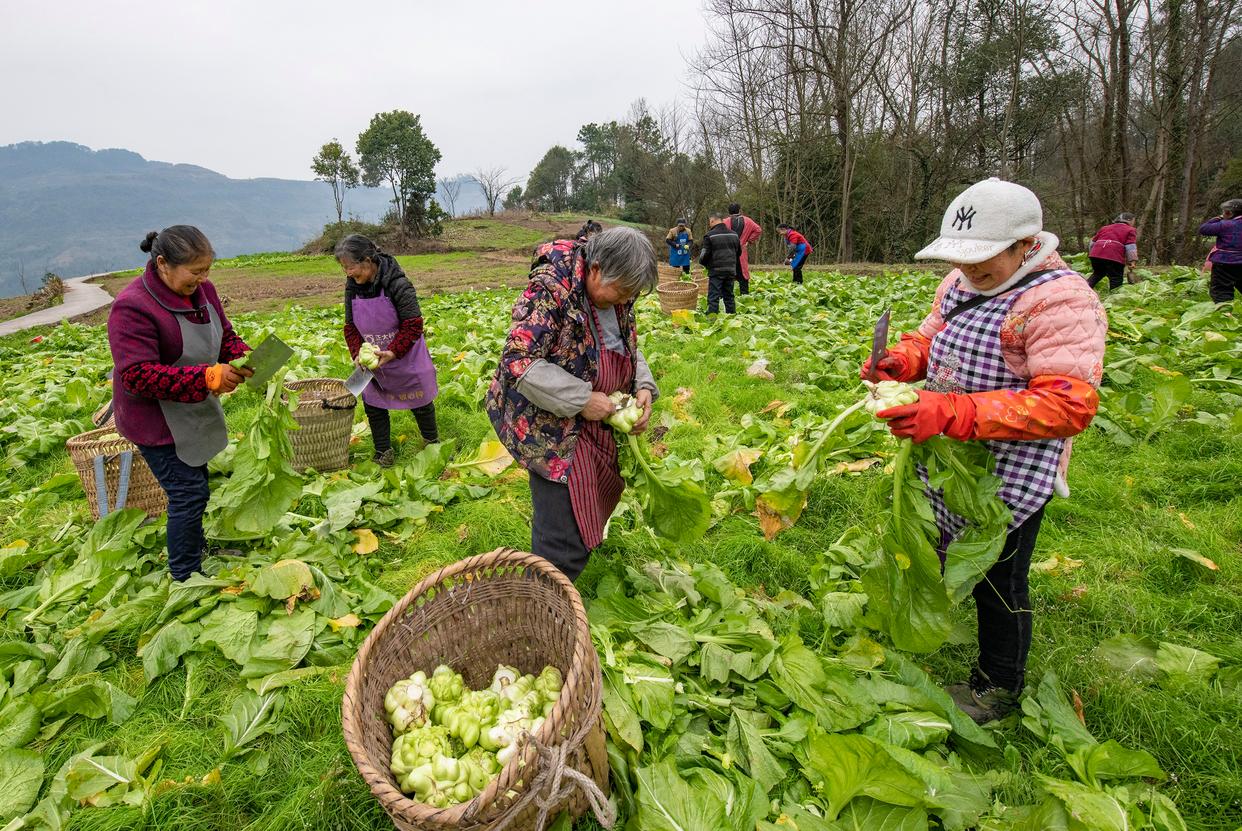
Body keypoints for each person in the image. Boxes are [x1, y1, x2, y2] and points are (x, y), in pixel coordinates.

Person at [861, 178, 1107, 723]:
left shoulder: (1061, 300)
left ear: (1026, 245)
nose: (970, 272)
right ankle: (939, 619)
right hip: (955, 453)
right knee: (949, 544)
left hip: (1012, 464)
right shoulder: (959, 283)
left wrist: (951, 412)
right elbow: (932, 335)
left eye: (984, 262)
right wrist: (903, 361)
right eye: (962, 261)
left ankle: (998, 686)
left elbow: (1068, 406)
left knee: (1001, 574)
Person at [487, 227, 660, 581]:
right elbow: (518, 361)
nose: (624, 301)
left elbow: (627, 344)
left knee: (590, 501)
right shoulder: (550, 289)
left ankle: (562, 575)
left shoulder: (617, 297)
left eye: (631, 295)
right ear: (596, 269)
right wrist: (581, 400)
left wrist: (643, 385)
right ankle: (544, 601)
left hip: (593, 421)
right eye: (621, 291)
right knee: (560, 532)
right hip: (545, 422)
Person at [107, 226, 253, 581]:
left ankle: (194, 548)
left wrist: (241, 359)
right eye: (195, 271)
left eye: (207, 269)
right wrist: (206, 378)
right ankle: (185, 574)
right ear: (163, 264)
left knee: (196, 480)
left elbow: (225, 337)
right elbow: (138, 376)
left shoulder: (204, 292)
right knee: (187, 491)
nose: (203, 279)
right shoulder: (132, 307)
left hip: (190, 407)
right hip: (153, 417)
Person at [338, 234, 439, 466]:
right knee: (373, 404)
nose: (348, 273)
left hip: (405, 355)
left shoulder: (397, 283)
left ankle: (433, 444)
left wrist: (393, 352)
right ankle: (383, 452)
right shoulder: (352, 288)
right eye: (344, 269)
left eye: (351, 267)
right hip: (374, 359)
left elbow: (413, 324)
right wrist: (356, 353)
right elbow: (350, 326)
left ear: (367, 260)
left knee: (420, 401)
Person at [1199, 199, 1242, 304]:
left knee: (1221, 291)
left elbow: (1204, 229)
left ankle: (1225, 316)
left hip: (1225, 263)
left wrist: (1218, 218)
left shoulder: (1225, 225)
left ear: (1229, 213)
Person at [699, 213, 742, 314]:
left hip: (716, 270)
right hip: (731, 269)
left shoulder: (710, 235)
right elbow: (738, 252)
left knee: (714, 296)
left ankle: (712, 319)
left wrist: (705, 264)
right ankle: (731, 318)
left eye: (710, 222)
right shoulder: (734, 234)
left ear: (713, 221)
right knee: (729, 295)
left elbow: (704, 255)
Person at [1087, 212, 1139, 291]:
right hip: (1113, 255)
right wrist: (1132, 261)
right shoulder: (1130, 230)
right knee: (1116, 278)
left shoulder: (1105, 228)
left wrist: (1093, 254)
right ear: (1130, 221)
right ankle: (1114, 298)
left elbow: (1092, 243)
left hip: (1096, 254)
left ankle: (1083, 290)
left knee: (1098, 273)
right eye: (1133, 221)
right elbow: (1130, 246)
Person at [726, 203, 763, 294]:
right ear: (739, 210)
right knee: (743, 272)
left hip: (728, 251)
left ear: (729, 211)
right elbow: (758, 230)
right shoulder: (748, 220)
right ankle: (745, 295)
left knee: (728, 273)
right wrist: (749, 240)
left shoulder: (725, 221)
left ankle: (728, 296)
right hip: (742, 250)